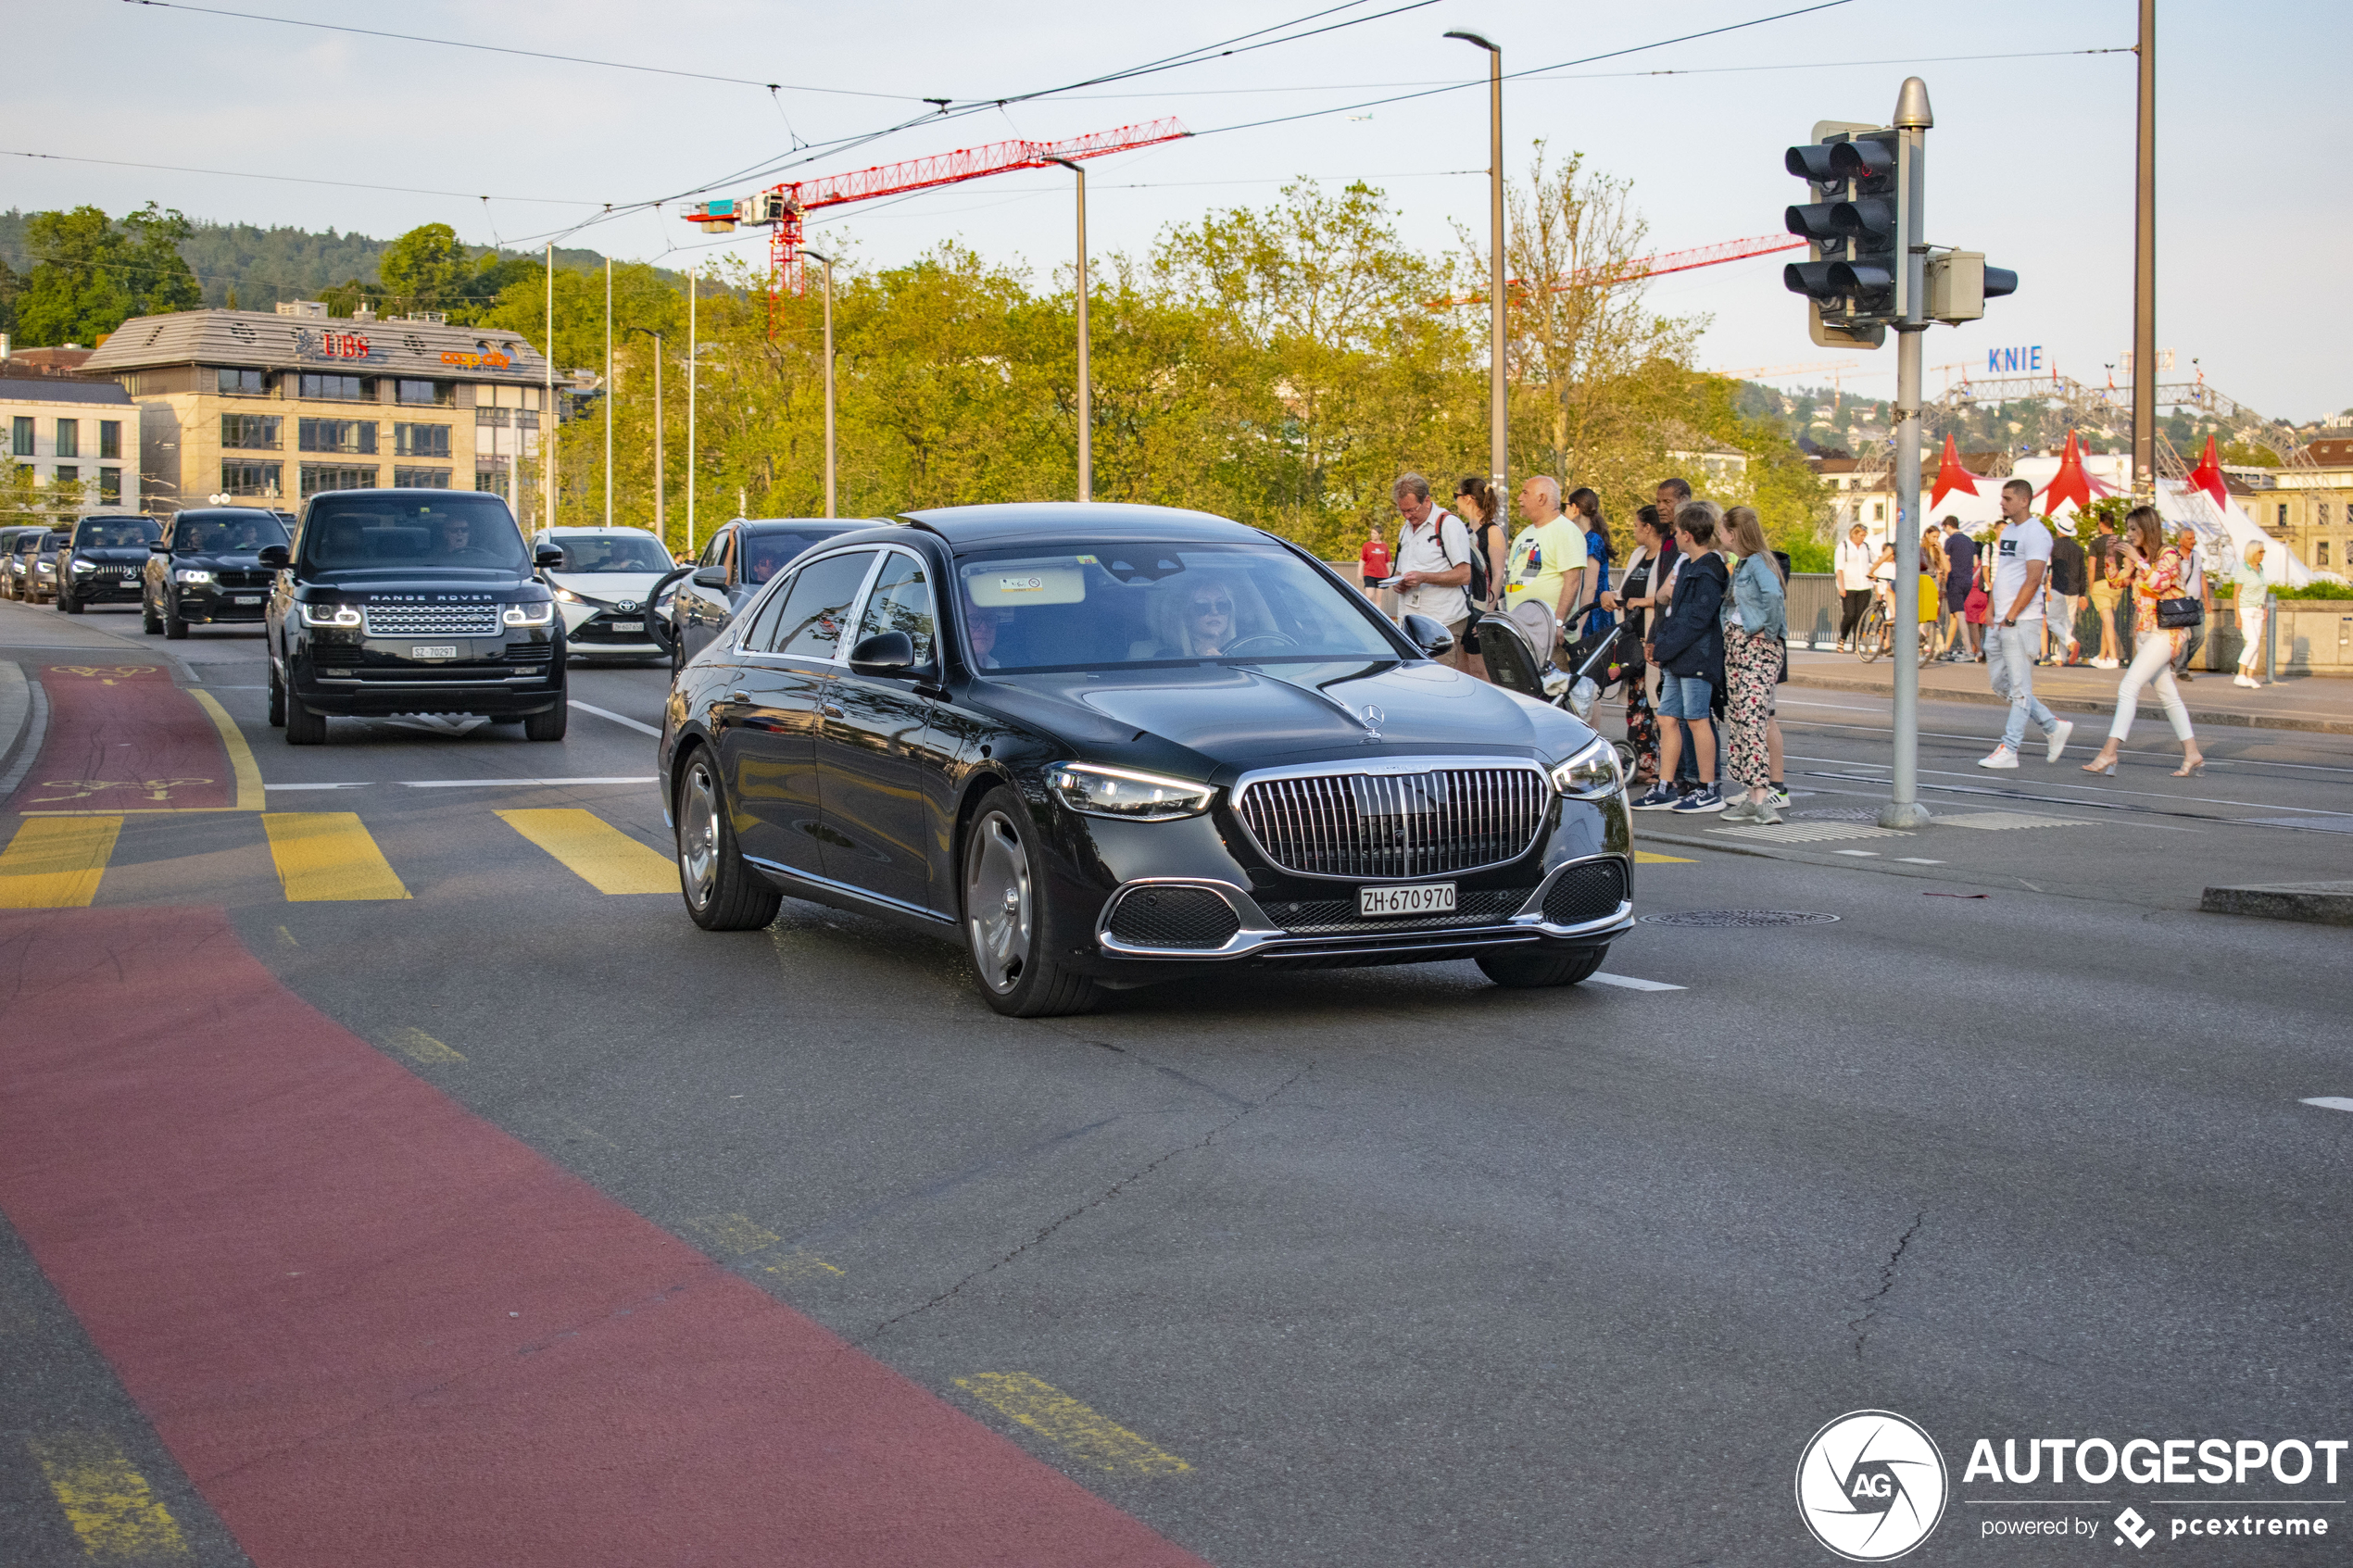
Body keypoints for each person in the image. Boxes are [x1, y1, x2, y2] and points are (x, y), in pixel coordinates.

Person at [2079, 506, 2204, 778]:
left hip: (2166, 633)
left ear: (2148, 529)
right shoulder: (2140, 560)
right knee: (2168, 696)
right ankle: (2192, 753)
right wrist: (2112, 556)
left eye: (2135, 529)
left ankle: (2110, 752)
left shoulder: (2167, 555)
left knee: (2128, 687)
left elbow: (2158, 582)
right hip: (2145, 634)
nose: (2130, 534)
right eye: (2128, 530)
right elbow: (2115, 583)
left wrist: (2138, 559)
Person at [1633, 504, 1729, 814]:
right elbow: (1673, 609)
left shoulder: (1709, 569)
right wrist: (1661, 643)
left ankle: (1708, 788)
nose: (1673, 536)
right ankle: (1666, 785)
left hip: (1697, 657)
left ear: (1688, 535)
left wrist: (1664, 647)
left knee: (1698, 719)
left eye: (1676, 532)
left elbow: (1696, 620)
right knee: (1667, 717)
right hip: (1677, 655)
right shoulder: (1688, 565)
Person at [1975, 479, 2073, 770]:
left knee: (2019, 688)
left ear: (2023, 501)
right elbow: (2003, 573)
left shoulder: (2037, 534)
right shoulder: (2009, 532)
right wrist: (1992, 609)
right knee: (2000, 684)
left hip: (2021, 621)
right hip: (2001, 620)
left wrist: (2012, 615)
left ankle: (2010, 748)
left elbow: (2034, 579)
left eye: (2007, 498)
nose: (2002, 503)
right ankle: (2052, 725)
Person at [1717, 507, 1788, 825]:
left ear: (1733, 534)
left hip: (1754, 649)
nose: (1719, 535)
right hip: (1739, 647)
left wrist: (1768, 632)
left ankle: (1761, 798)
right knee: (1742, 721)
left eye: (1722, 530)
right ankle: (1751, 795)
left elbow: (1774, 595)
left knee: (1752, 720)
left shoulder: (1757, 563)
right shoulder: (1747, 563)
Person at [1600, 504, 1672, 785]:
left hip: (1653, 639)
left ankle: (1659, 766)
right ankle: (1641, 762)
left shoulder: (1666, 556)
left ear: (1648, 528)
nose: (1632, 530)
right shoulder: (1638, 555)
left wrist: (1643, 602)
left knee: (1657, 706)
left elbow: (1667, 595)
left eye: (1635, 525)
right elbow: (1627, 591)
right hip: (1632, 641)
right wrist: (1612, 596)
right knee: (1636, 705)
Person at [1504, 475, 1592, 663]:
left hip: (1550, 638)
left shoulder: (1565, 531)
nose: (1519, 498)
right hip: (1521, 634)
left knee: (1552, 691)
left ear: (1541, 498)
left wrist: (1557, 622)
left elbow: (1573, 581)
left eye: (1525, 492)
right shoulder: (1523, 535)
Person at [1390, 472, 1474, 666]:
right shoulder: (1406, 528)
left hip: (1442, 623)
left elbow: (1464, 575)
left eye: (1411, 510)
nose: (1408, 516)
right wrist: (1398, 582)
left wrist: (1424, 577)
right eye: (1402, 511)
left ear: (1427, 501)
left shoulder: (1448, 524)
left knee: (1440, 685)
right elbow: (1401, 570)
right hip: (1410, 624)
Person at [1453, 474, 1509, 681]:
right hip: (1463, 609)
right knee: (1461, 669)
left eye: (1456, 496)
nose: (1456, 501)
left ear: (1468, 498)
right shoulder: (1463, 530)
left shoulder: (1492, 531)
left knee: (1481, 670)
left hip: (1482, 608)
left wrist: (1488, 613)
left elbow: (1498, 574)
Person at [1568, 486, 1614, 642]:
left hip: (1592, 613)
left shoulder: (1592, 541)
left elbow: (1590, 586)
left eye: (1565, 506)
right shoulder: (1581, 539)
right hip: (1584, 609)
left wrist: (1579, 624)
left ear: (1575, 508)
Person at [2084, 512, 2125, 668]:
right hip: (2116, 584)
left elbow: (2092, 567)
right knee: (2106, 621)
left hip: (2101, 583)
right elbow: (2127, 563)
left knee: (2108, 620)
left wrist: (2090, 586)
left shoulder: (2096, 543)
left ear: (2101, 524)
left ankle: (2113, 657)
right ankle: (2102, 657)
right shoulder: (2120, 542)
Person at [2230, 540, 2271, 688]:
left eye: (2263, 552)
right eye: (2260, 552)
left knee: (2255, 644)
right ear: (2252, 553)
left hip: (2258, 610)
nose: (2262, 555)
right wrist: (2237, 616)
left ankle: (2250, 676)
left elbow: (2263, 589)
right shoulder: (2243, 570)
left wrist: (2265, 606)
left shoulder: (2261, 569)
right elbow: (2236, 595)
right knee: (2252, 642)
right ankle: (2240, 674)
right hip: (2245, 609)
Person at [2170, 525, 2209, 682]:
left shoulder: (2197, 556)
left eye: (2193, 538)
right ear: (2180, 540)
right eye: (2189, 539)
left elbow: (2201, 576)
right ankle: (2181, 670)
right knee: (2184, 636)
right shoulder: (2173, 556)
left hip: (2196, 602)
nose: (2193, 541)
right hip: (2181, 602)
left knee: (2199, 636)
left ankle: (2178, 661)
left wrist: (2206, 599)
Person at [2046, 521, 2087, 665]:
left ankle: (2070, 643)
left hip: (2058, 588)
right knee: (2068, 624)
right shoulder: (2078, 549)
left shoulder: (2053, 546)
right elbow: (2083, 572)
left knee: (2051, 621)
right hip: (2074, 590)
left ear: (2059, 530)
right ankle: (2061, 656)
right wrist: (2083, 594)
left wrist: (2046, 587)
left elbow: (2047, 567)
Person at [1940, 518, 1980, 661]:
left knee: (1959, 615)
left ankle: (1968, 650)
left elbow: (1946, 563)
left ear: (1948, 527)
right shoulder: (1970, 541)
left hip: (1955, 580)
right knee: (1955, 616)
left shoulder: (1950, 541)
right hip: (1967, 579)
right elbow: (1975, 562)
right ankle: (1947, 648)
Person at [1833, 523, 1874, 651]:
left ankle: (1856, 643)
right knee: (1850, 614)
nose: (1863, 538)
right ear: (1854, 534)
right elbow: (1839, 568)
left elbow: (1875, 561)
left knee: (1860, 615)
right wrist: (1841, 586)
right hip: (1849, 585)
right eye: (1861, 535)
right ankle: (1843, 638)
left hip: (1864, 586)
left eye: (1864, 536)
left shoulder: (1865, 547)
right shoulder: (1844, 546)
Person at [1357, 521, 1392, 587]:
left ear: (1380, 535)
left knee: (1378, 597)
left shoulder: (1384, 546)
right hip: (1369, 574)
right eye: (1372, 533)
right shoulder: (1366, 545)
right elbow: (1362, 560)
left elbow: (1387, 561)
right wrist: (1359, 572)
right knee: (1369, 596)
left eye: (1375, 533)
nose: (1372, 535)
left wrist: (1390, 574)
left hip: (1382, 575)